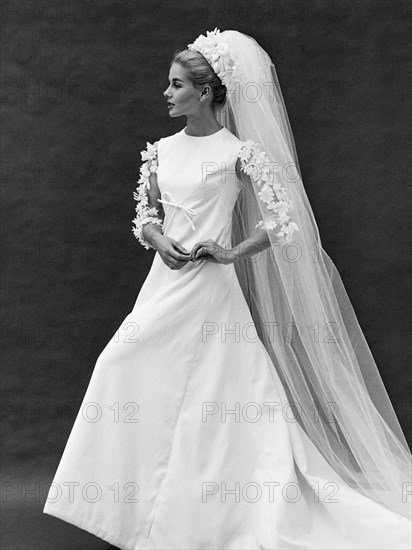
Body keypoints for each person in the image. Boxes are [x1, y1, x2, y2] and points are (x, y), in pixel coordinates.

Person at [43, 29, 412, 549]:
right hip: (164, 285)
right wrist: (157, 238)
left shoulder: (240, 153)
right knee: (126, 370)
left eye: (176, 86)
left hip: (211, 290)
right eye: (168, 85)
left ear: (207, 92)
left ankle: (205, 516)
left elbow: (282, 220)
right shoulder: (161, 151)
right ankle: (133, 511)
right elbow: (145, 213)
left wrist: (232, 252)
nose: (166, 94)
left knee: (217, 397)